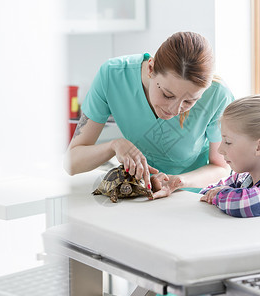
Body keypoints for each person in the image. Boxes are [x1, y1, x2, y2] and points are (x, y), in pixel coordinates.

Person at [64, 32, 234, 199]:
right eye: (167, 95)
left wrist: (178, 182)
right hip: (140, 196)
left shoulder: (217, 95)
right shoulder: (112, 76)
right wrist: (114, 146)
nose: (175, 110)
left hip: (194, 199)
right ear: (151, 68)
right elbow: (72, 163)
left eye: (189, 102)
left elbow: (221, 167)